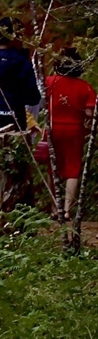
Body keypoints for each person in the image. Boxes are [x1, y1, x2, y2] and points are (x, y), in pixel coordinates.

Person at [45, 50, 96, 222]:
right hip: (74, 130)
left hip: (53, 128)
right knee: (73, 169)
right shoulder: (84, 87)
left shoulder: (49, 82)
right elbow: (90, 112)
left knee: (53, 168)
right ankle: (67, 210)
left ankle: (55, 207)